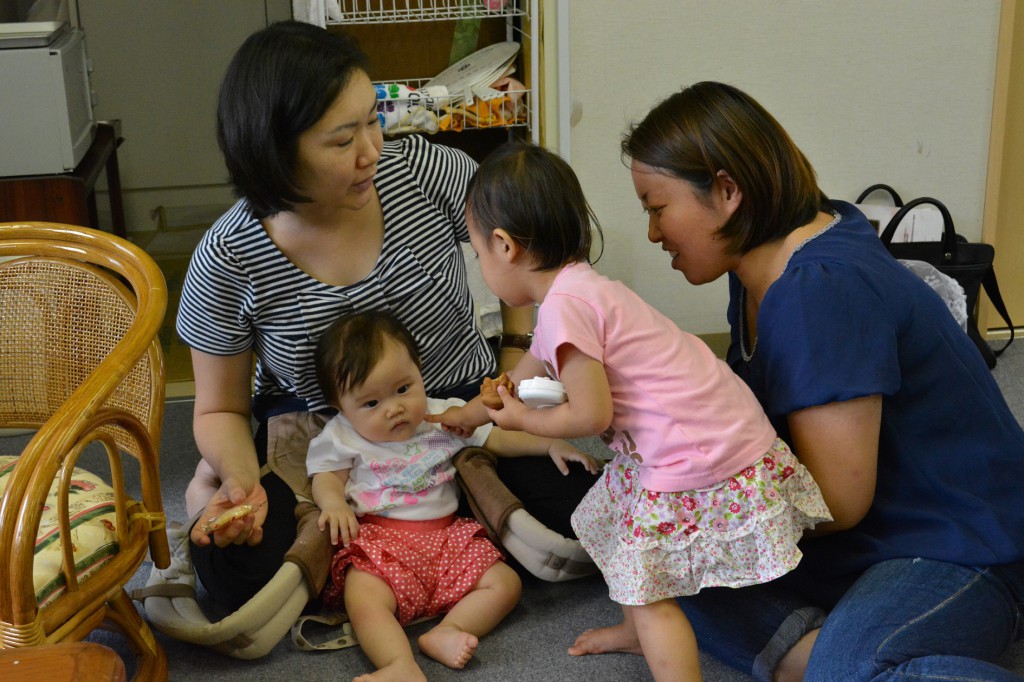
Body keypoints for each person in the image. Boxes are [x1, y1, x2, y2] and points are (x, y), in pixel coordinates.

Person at [601, 80, 1024, 681]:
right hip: (873, 536)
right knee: (647, 551)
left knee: (837, 658)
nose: (652, 233)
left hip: (960, 544)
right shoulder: (760, 264)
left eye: (657, 208)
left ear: (726, 192)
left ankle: (830, 660)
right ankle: (823, 655)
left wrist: (695, 502)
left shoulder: (818, 289)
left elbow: (840, 501)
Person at [175, 20, 594, 612]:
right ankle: (214, 485)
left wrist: (513, 358)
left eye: (373, 120)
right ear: (274, 151)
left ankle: (410, 536)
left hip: (455, 402)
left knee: (589, 507)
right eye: (343, 140)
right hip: (324, 430)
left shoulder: (421, 172)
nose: (371, 151)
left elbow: (515, 243)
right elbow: (220, 407)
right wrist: (241, 478)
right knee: (233, 573)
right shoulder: (229, 255)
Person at [427, 141, 832, 681]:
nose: (481, 264)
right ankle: (633, 633)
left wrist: (523, 422)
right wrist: (474, 414)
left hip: (695, 449)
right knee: (609, 519)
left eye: (477, 254)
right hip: (701, 427)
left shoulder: (568, 308)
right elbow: (526, 374)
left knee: (647, 585)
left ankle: (663, 656)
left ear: (503, 246)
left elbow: (591, 417)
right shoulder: (574, 291)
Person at [306, 309, 597, 680]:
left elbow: (496, 436)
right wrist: (332, 502)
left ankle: (450, 630)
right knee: (363, 599)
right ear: (340, 406)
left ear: (419, 371)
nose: (394, 408)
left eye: (403, 388)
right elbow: (325, 474)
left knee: (505, 583)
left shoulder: (442, 417)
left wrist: (548, 445)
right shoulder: (342, 434)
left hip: (448, 537)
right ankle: (398, 665)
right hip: (382, 543)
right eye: (371, 403)